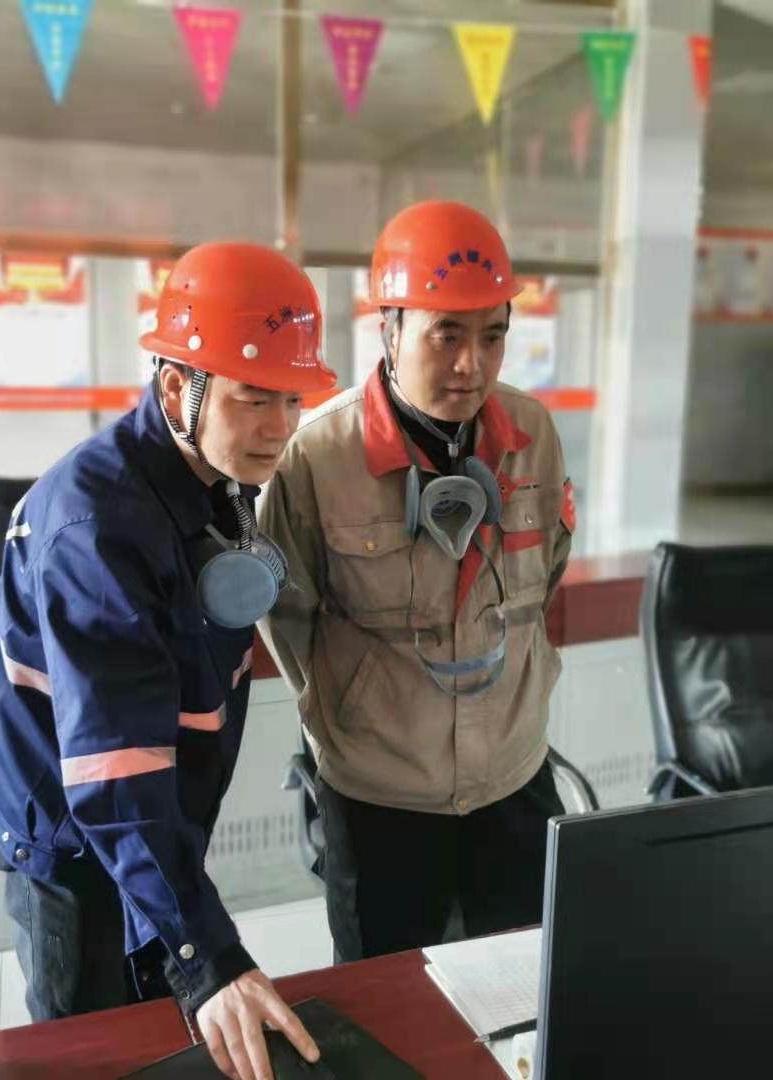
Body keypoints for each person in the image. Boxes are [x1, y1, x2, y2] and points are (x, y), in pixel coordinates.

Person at [0, 242, 336, 1080]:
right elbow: (115, 778)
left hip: (158, 834)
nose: (282, 427)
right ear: (179, 388)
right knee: (97, 1059)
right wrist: (205, 955)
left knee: (169, 1045)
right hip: (83, 856)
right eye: (255, 397)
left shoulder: (217, 478)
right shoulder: (99, 529)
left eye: (292, 399)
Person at [259, 201, 577, 963]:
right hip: (379, 795)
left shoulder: (532, 435)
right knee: (384, 1003)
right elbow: (288, 618)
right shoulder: (316, 457)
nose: (472, 364)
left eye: (493, 336)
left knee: (521, 988)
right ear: (390, 329)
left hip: (512, 777)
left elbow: (548, 577)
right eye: (447, 335)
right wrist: (351, 712)